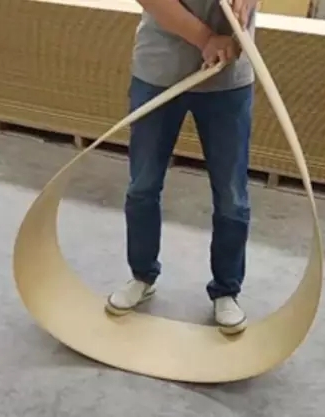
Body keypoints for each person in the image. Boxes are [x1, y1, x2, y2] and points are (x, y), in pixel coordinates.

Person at [105, 0, 258, 335]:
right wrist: (206, 39)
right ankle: (142, 275)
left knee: (231, 195)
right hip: (160, 70)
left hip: (228, 76)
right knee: (143, 185)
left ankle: (226, 290)